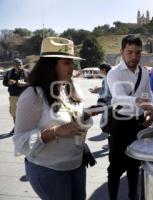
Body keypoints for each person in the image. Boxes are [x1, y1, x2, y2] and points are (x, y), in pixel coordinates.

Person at [13, 37, 97, 200]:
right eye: (66, 63)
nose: (72, 68)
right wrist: (56, 131)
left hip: (77, 164)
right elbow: (20, 142)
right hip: (48, 170)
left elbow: (72, 117)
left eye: (73, 63)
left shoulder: (72, 87)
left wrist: (85, 114)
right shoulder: (32, 95)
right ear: (49, 65)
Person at [106, 35, 153, 200]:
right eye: (130, 52)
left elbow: (149, 93)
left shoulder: (144, 72)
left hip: (139, 123)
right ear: (122, 52)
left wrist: (151, 110)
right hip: (121, 123)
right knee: (115, 168)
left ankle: (133, 196)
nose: (134, 56)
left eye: (138, 53)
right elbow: (118, 97)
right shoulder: (114, 73)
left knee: (135, 165)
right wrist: (138, 101)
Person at [2, 58, 29, 135]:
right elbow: (4, 83)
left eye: (20, 65)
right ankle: (16, 128)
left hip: (24, 96)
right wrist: (8, 83)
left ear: (22, 65)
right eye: (16, 65)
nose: (18, 66)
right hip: (13, 96)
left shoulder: (27, 73)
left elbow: (33, 83)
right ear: (13, 65)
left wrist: (25, 84)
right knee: (14, 113)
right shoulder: (9, 73)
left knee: (25, 113)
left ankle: (24, 128)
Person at [89, 63, 112, 149]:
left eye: (100, 70)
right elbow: (104, 90)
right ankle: (110, 142)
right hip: (108, 103)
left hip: (108, 103)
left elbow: (107, 93)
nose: (99, 72)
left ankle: (111, 142)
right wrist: (97, 90)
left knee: (106, 123)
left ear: (104, 70)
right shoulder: (107, 78)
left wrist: (98, 92)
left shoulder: (108, 78)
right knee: (106, 123)